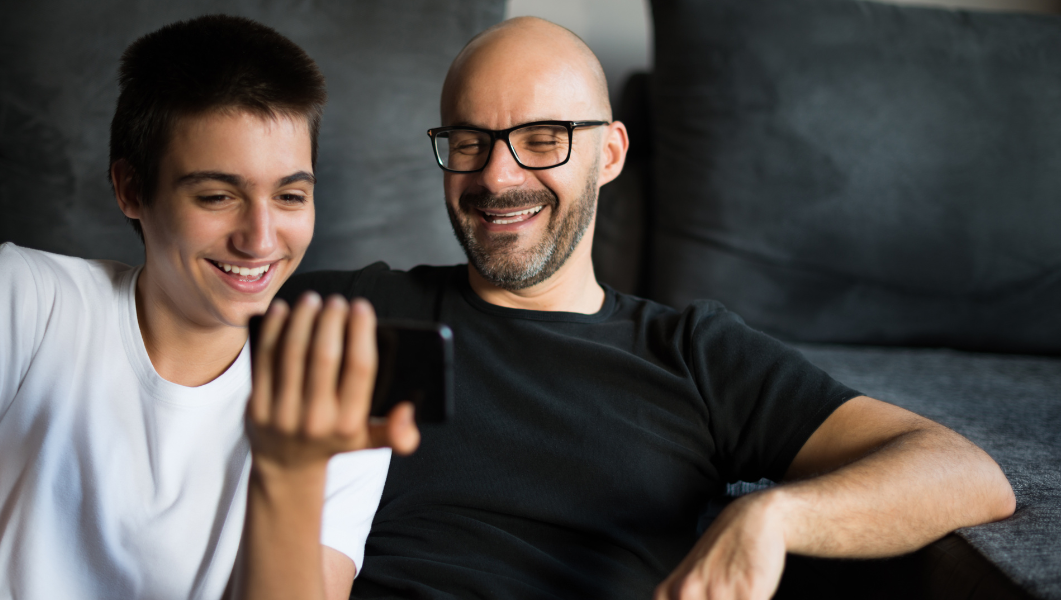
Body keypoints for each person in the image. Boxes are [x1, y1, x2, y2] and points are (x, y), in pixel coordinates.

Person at [274, 16, 1017, 600]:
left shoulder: (695, 355)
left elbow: (963, 471)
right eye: (469, 142)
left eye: (543, 139)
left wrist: (772, 516)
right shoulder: (357, 308)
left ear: (612, 153)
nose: (497, 177)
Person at [0, 16, 415, 600]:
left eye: (290, 196)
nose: (260, 238)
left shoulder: (338, 405)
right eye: (217, 196)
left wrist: (291, 475)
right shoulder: (22, 295)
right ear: (131, 190)